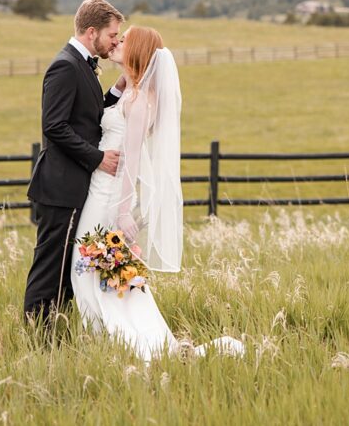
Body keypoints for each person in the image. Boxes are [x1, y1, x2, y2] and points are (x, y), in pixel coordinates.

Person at [70, 25, 244, 361]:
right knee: (97, 272)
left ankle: (132, 344)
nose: (118, 43)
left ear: (137, 52)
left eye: (125, 40)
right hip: (99, 190)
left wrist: (121, 214)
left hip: (109, 197)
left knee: (93, 270)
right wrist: (119, 85)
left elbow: (131, 163)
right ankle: (110, 340)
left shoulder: (139, 102)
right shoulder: (131, 94)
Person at [23, 0, 126, 323]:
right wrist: (97, 158)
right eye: (112, 35)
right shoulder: (64, 65)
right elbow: (54, 126)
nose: (115, 43)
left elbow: (89, 115)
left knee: (68, 266)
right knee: (50, 266)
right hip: (59, 186)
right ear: (91, 31)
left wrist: (120, 87)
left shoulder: (82, 65)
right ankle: (37, 336)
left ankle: (58, 327)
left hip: (74, 186)